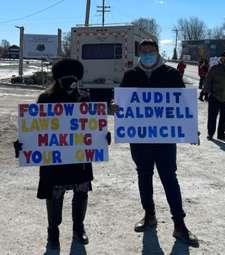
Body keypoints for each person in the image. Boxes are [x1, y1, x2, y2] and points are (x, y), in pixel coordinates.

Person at [13, 59, 111, 251]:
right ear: (57, 79)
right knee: (54, 195)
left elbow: (91, 125)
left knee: (81, 193)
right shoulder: (44, 99)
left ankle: (78, 228)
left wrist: (101, 136)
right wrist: (23, 144)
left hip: (79, 158)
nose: (69, 83)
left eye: (73, 78)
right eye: (65, 78)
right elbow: (34, 129)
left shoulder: (84, 98)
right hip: (54, 160)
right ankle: (53, 232)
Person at [119, 39, 199, 248]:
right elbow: (123, 103)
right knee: (143, 176)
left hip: (165, 138)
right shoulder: (130, 75)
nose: (147, 53)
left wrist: (190, 127)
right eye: (143, 51)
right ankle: (149, 215)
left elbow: (182, 103)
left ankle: (179, 224)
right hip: (140, 137)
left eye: (150, 50)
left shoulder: (171, 74)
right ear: (139, 53)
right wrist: (115, 106)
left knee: (169, 177)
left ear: (157, 52)